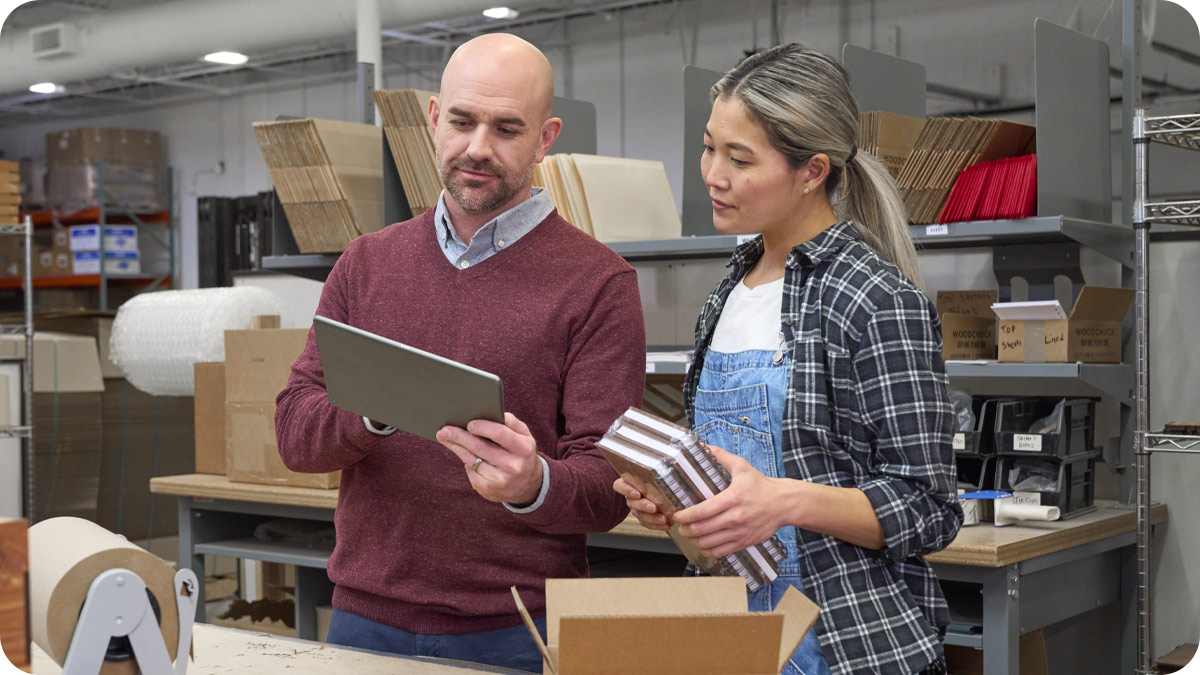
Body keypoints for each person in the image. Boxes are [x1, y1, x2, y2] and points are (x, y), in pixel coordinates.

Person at [276, 33, 645, 673]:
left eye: (507, 128)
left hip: (518, 631)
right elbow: (294, 435)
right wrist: (372, 407)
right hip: (367, 620)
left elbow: (611, 485)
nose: (478, 148)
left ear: (546, 137)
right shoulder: (366, 263)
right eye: (462, 121)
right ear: (432, 119)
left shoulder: (597, 282)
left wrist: (535, 483)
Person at [615, 43, 962, 675]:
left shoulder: (876, 299)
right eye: (709, 146)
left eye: (739, 159)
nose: (712, 174)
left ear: (812, 171)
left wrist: (781, 502)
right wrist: (678, 501)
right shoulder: (728, 292)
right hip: (728, 636)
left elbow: (931, 509)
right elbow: (731, 485)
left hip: (843, 646)